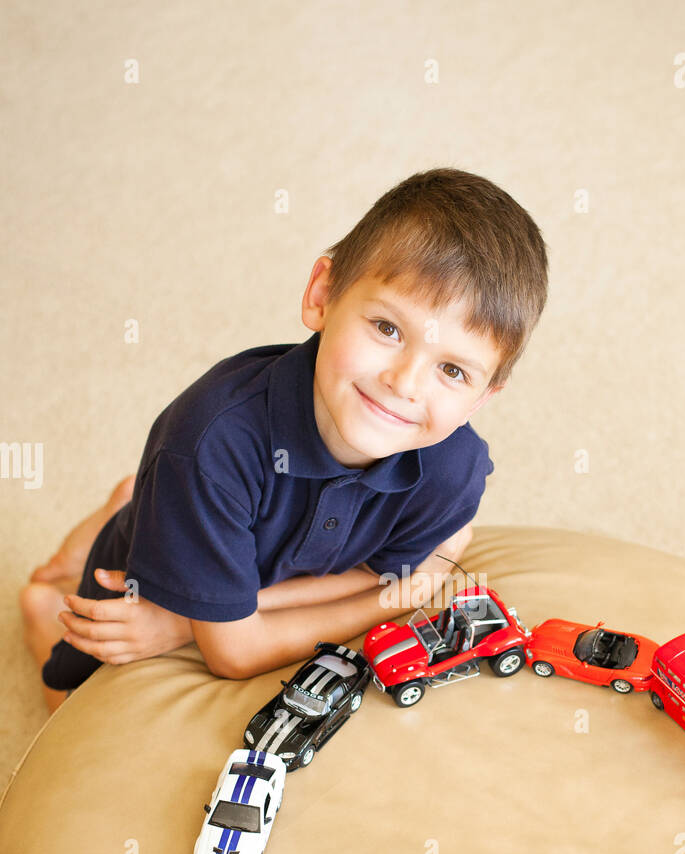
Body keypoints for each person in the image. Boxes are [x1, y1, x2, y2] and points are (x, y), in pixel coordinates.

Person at [21, 168, 548, 713]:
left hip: (255, 551)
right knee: (66, 692)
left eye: (453, 371)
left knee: (198, 524)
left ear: (482, 399)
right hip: (154, 554)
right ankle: (51, 593)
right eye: (388, 329)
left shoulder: (453, 469)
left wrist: (192, 621)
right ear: (322, 295)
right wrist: (405, 595)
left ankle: (133, 498)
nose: (404, 384)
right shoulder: (210, 446)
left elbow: (370, 573)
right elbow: (235, 653)